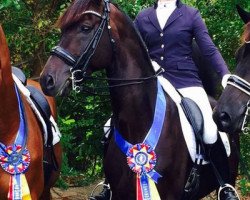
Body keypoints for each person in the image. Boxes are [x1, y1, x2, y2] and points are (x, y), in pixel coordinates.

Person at [90, 0, 239, 199]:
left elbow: (208, 48)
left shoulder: (190, 14)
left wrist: (224, 74)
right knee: (111, 126)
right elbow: (132, 47)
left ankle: (224, 184)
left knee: (211, 131)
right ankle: (109, 184)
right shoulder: (143, 17)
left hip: (186, 82)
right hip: (152, 83)